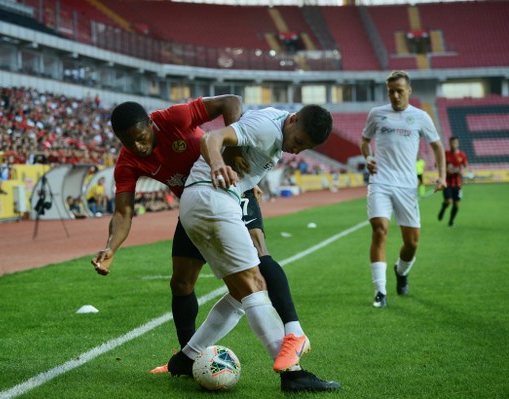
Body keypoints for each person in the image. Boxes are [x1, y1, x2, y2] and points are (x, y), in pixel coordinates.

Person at [91, 97, 319, 391]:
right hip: (198, 199)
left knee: (258, 261)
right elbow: (123, 211)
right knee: (182, 283)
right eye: (127, 142)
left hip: (229, 184)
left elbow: (230, 102)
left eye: (140, 138)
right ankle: (188, 356)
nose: (137, 146)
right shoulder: (127, 161)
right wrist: (111, 248)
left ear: (151, 123)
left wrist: (233, 151)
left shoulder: (173, 118)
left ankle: (291, 361)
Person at [168, 104, 340, 392]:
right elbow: (210, 139)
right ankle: (292, 374)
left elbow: (239, 119)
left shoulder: (275, 121)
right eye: (298, 141)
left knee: (239, 293)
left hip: (208, 200)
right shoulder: (267, 127)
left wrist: (244, 175)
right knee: (255, 284)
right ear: (293, 120)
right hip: (213, 198)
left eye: (304, 148)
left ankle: (186, 358)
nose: (296, 151)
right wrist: (218, 164)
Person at [360, 70, 446, 308]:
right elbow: (365, 141)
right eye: (391, 91)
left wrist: (441, 175)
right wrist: (368, 158)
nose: (395, 96)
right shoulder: (376, 114)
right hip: (380, 181)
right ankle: (380, 291)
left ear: (409, 91)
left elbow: (438, 147)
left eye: (399, 91)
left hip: (407, 187)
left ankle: (401, 271)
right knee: (380, 230)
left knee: (412, 242)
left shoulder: (421, 117)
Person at [438, 137, 468, 227]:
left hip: (458, 184)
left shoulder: (462, 155)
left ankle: (451, 221)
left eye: (455, 143)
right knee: (449, 201)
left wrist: (463, 171)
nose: (453, 144)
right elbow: (438, 164)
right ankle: (443, 208)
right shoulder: (445, 154)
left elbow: (466, 166)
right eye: (452, 143)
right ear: (449, 143)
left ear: (457, 143)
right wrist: (445, 170)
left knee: (456, 205)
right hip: (447, 183)